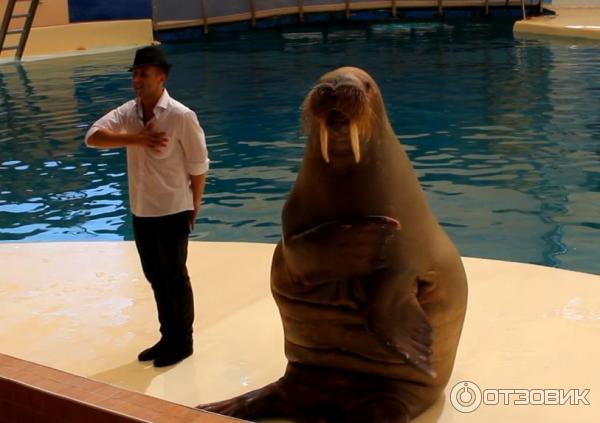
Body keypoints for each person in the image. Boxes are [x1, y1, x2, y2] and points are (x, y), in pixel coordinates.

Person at [85, 45, 209, 367]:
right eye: (135, 74)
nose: (137, 79)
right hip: (142, 211)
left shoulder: (182, 116)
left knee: (175, 276)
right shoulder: (129, 113)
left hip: (172, 209)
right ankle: (167, 336)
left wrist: (193, 207)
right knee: (155, 275)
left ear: (161, 77)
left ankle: (183, 342)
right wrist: (136, 139)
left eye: (143, 74)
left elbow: (198, 166)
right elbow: (93, 137)